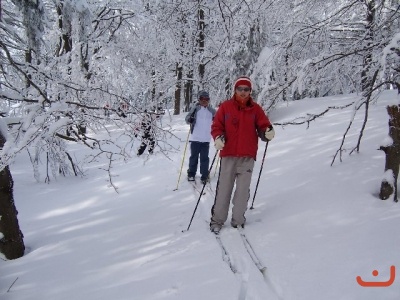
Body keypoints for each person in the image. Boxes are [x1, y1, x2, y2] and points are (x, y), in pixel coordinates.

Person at [209, 76, 275, 234]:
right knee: (224, 189)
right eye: (240, 89)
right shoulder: (225, 107)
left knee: (243, 191)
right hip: (229, 155)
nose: (243, 92)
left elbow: (264, 125)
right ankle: (217, 221)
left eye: (246, 89)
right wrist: (218, 137)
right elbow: (216, 126)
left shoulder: (256, 109)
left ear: (250, 91)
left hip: (247, 156)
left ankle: (238, 220)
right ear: (235, 90)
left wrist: (268, 132)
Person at [185, 91, 216, 184]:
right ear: (199, 99)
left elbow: (219, 119)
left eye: (206, 99)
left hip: (206, 139)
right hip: (195, 138)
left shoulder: (211, 111)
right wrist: (190, 119)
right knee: (194, 157)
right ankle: (191, 174)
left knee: (204, 158)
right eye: (202, 99)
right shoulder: (195, 109)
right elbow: (187, 118)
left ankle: (204, 175)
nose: (204, 101)